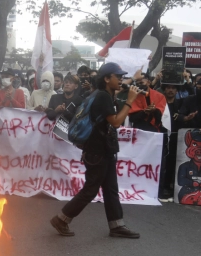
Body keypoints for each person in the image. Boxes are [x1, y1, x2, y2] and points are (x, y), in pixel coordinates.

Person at [50, 63, 141, 239]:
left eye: (122, 76)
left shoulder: (104, 94)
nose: (121, 79)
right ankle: (61, 219)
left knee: (111, 188)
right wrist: (130, 101)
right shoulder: (102, 97)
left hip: (104, 149)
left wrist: (133, 81)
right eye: (117, 76)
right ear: (106, 79)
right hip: (97, 151)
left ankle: (117, 225)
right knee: (91, 189)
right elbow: (116, 122)